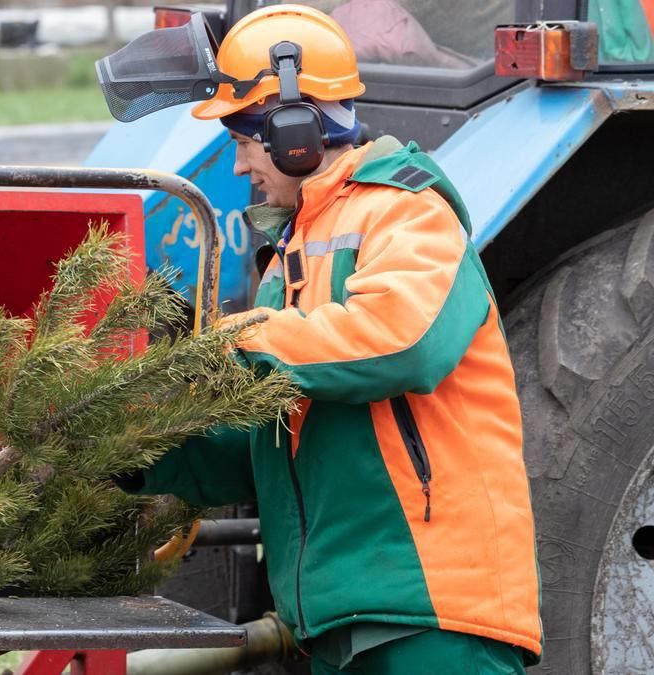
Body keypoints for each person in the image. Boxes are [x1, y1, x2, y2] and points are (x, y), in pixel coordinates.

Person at [113, 5, 543, 674]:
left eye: (243, 142)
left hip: (427, 613)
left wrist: (232, 342)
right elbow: (272, 443)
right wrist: (139, 444)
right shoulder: (290, 257)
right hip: (343, 622)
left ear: (294, 132)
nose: (236, 167)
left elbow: (403, 343)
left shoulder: (407, 213)